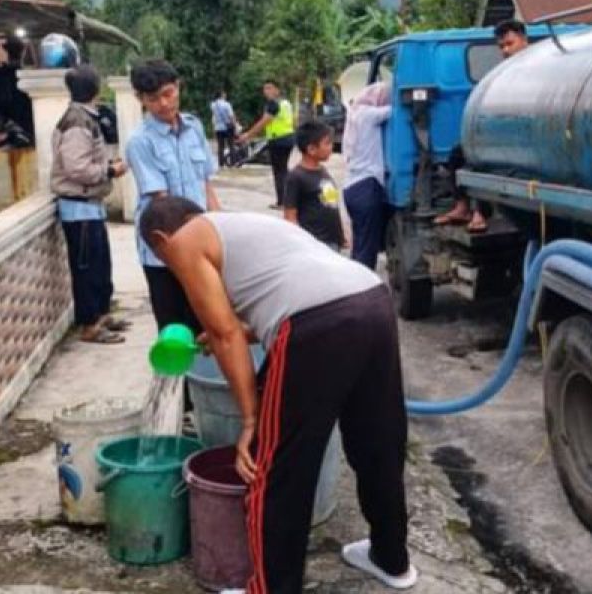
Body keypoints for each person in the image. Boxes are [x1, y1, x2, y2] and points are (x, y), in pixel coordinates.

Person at [139, 196, 417, 594]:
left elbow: (226, 333)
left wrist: (251, 420)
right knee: (378, 444)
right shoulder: (242, 225)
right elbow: (269, 306)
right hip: (372, 302)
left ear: (161, 238)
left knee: (277, 469)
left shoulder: (183, 240)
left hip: (315, 327)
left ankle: (269, 589)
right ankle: (391, 560)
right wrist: (223, 334)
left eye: (161, 258)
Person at [124, 59, 221, 338]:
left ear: (178, 87)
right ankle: (177, 382)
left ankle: (203, 381)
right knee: (176, 331)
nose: (164, 104)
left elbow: (206, 183)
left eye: (168, 94)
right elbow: (162, 203)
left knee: (208, 322)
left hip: (201, 238)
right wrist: (189, 249)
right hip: (165, 249)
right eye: (153, 99)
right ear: (140, 99)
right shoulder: (140, 142)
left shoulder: (195, 127)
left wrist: (220, 226)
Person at [51, 63, 129, 345]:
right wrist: (109, 171)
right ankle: (90, 324)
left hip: (87, 204)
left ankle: (101, 315)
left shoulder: (82, 117)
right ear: (96, 89)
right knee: (87, 269)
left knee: (99, 265)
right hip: (78, 205)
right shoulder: (77, 122)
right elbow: (76, 167)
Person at [434, 20, 529, 234]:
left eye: (509, 44)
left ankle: (480, 213)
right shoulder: (506, 69)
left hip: (524, 135)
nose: (505, 50)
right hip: (505, 129)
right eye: (502, 46)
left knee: (481, 160)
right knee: (457, 154)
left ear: (524, 40)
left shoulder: (535, 64)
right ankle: (462, 207)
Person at [343, 83, 391, 270]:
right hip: (366, 188)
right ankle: (363, 288)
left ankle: (355, 281)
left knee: (360, 243)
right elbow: (397, 109)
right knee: (367, 249)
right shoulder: (369, 115)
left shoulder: (353, 115)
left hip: (351, 188)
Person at [283, 120, 345, 251]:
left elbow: (332, 205)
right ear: (311, 149)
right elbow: (290, 216)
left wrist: (340, 235)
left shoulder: (322, 171)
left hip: (331, 241)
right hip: (315, 244)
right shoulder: (296, 177)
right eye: (327, 143)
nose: (331, 147)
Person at [238, 81, 295, 208]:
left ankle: (282, 202)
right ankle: (290, 200)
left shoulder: (273, 104)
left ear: (277, 90)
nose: (266, 92)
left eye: (270, 88)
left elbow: (264, 122)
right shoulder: (286, 103)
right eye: (265, 89)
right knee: (284, 170)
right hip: (289, 138)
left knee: (279, 172)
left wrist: (248, 135)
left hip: (278, 140)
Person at [211, 89, 239, 168]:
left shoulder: (213, 105)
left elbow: (213, 117)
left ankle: (221, 164)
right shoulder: (227, 104)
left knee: (220, 146)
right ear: (222, 95)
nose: (225, 95)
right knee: (231, 145)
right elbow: (231, 116)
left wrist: (214, 127)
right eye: (224, 94)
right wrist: (235, 126)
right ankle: (233, 163)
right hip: (228, 127)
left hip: (218, 128)